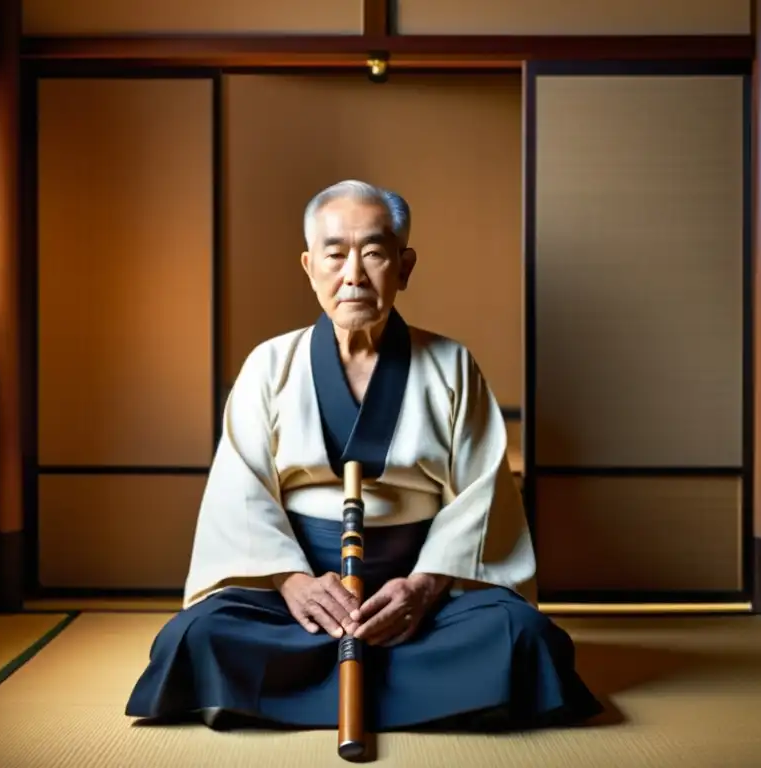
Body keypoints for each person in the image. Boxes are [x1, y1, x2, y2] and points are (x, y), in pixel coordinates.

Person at [125, 179, 602, 732]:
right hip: (302, 592)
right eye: (334, 255)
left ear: (405, 266)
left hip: (419, 594)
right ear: (308, 266)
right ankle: (430, 692)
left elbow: (481, 495)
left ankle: (305, 688)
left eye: (374, 253)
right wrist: (293, 582)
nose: (353, 275)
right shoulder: (269, 365)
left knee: (523, 636)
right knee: (197, 633)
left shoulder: (450, 364)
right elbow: (242, 491)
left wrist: (422, 588)